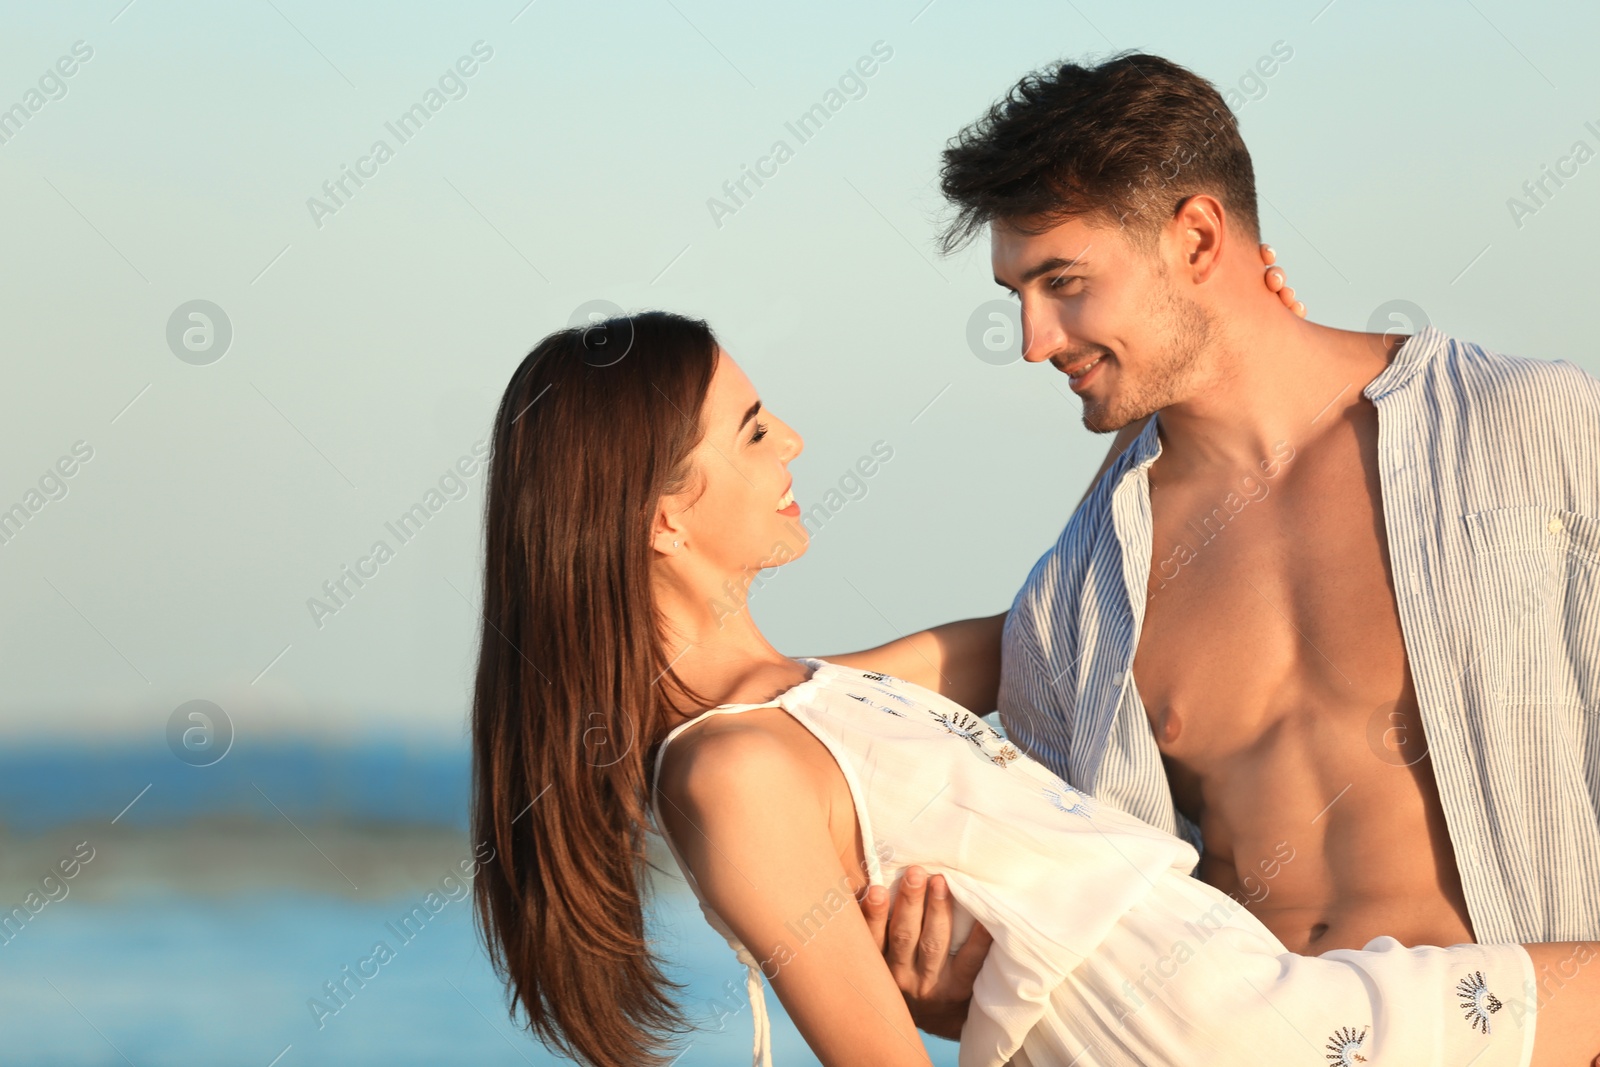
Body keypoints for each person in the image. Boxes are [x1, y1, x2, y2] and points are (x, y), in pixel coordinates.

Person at [466, 310, 1600, 1067]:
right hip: (1212, 1029)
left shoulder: (809, 698)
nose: (794, 442)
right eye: (754, 429)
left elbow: (1065, 634)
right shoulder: (731, 770)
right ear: (662, 515)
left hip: (1236, 995)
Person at [867, 52, 1600, 1047]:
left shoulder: (1528, 430)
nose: (1032, 337)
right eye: (1017, 295)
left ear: (1199, 236)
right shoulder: (1076, 598)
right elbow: (1084, 940)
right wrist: (969, 993)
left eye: (1064, 283)